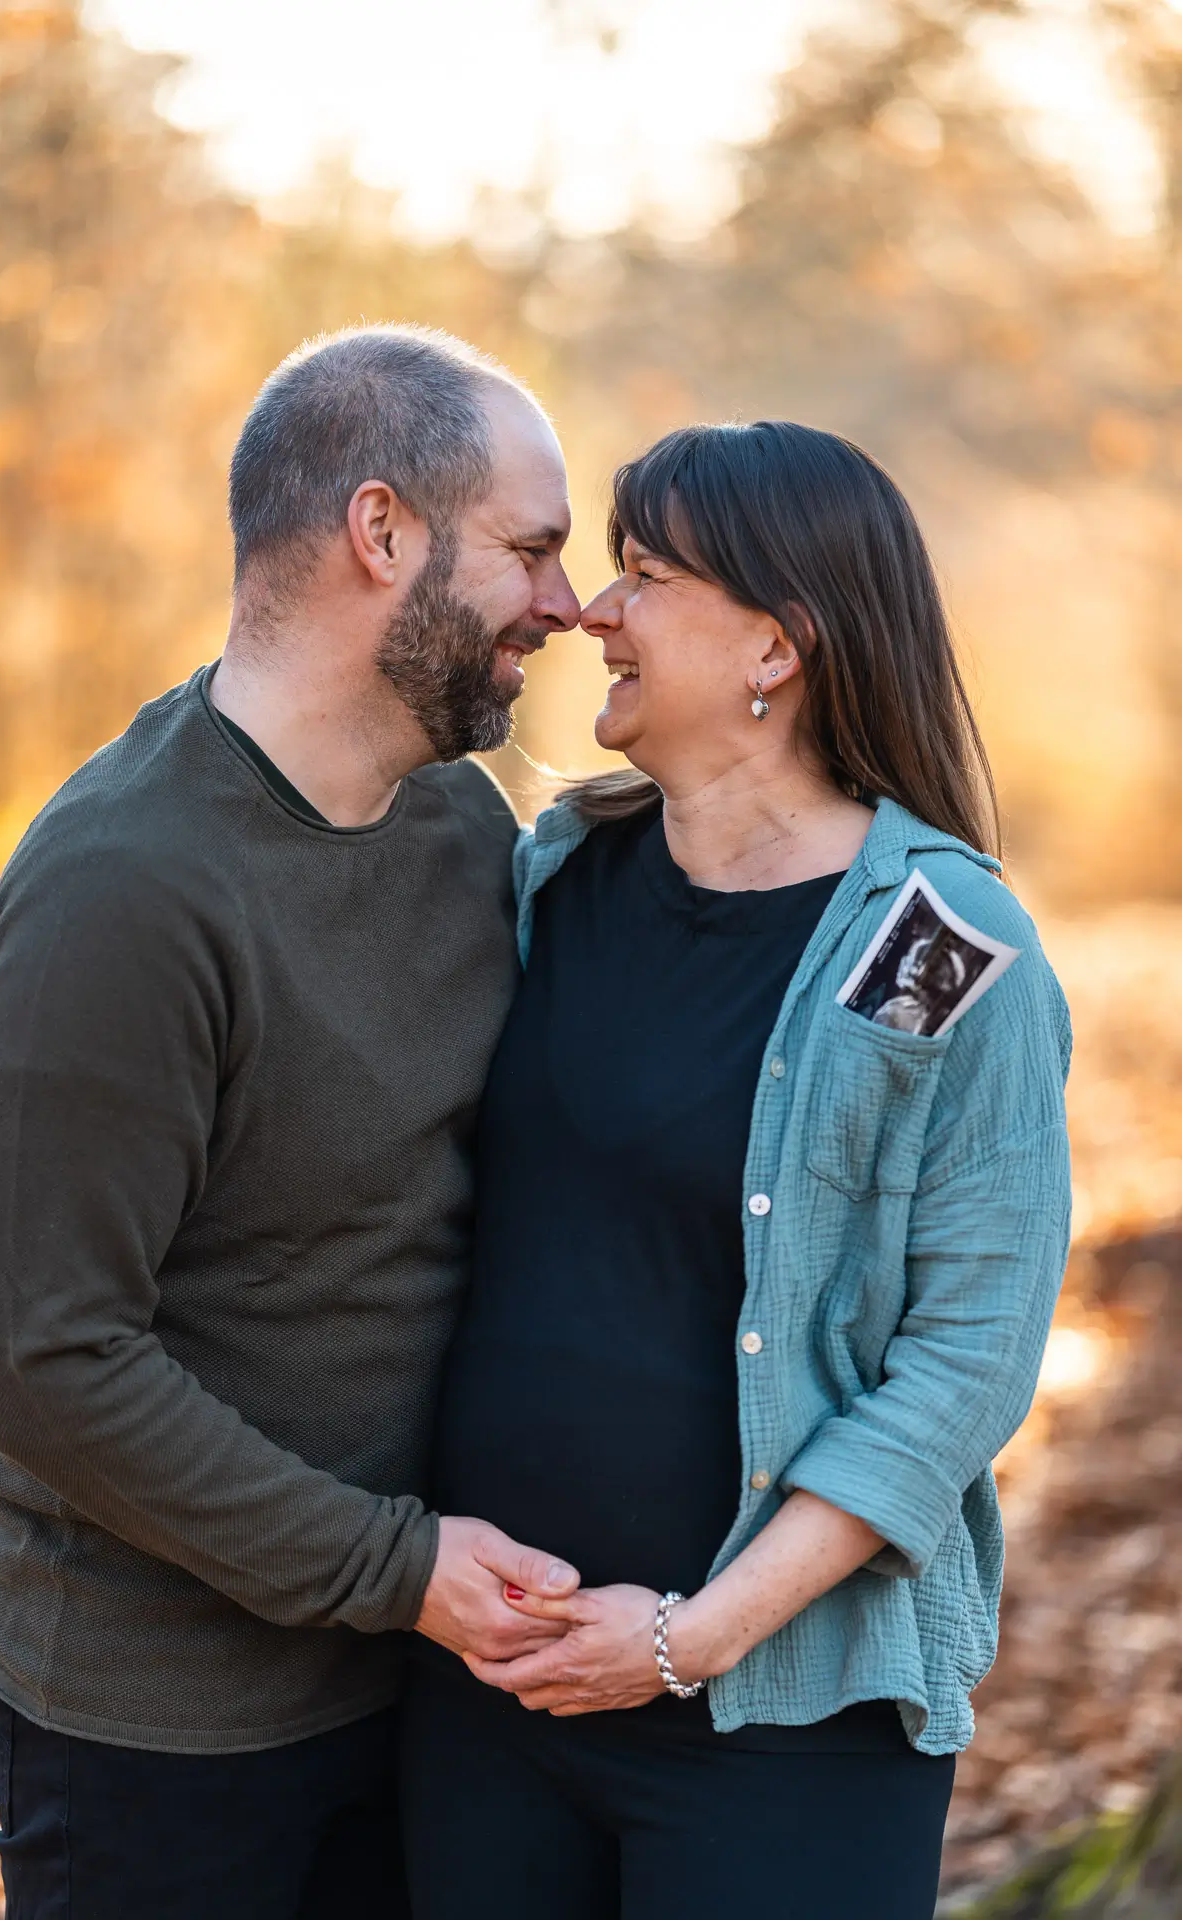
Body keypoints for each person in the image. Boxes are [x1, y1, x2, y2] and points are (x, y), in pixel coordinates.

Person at [0, 324, 584, 1919]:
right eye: (531, 550)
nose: (566, 608)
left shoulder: (458, 815)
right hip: (158, 1733)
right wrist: (396, 1570)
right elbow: (46, 1360)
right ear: (384, 533)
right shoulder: (130, 887)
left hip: (422, 1695)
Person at [402, 421, 1073, 1920]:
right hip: (487, 1692)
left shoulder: (944, 951)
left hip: (784, 1727)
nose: (591, 612)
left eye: (643, 575)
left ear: (776, 642)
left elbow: (966, 1360)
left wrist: (688, 1638)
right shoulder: (555, 871)